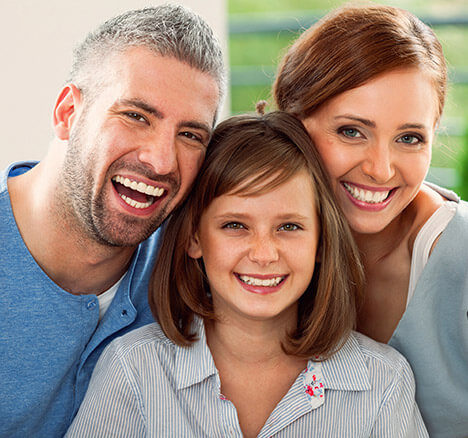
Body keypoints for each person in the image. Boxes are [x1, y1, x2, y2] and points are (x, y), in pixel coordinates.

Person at [66, 109, 427, 437]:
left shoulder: (383, 382)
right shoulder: (135, 369)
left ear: (321, 242)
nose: (264, 254)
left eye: (288, 227)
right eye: (236, 225)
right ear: (194, 237)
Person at [0, 5, 225, 437]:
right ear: (68, 114)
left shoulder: (198, 267)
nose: (161, 161)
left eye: (190, 135)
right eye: (136, 116)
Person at [273, 4, 468, 437]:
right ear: (290, 125)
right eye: (351, 131)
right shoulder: (257, 255)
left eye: (409, 138)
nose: (381, 169)